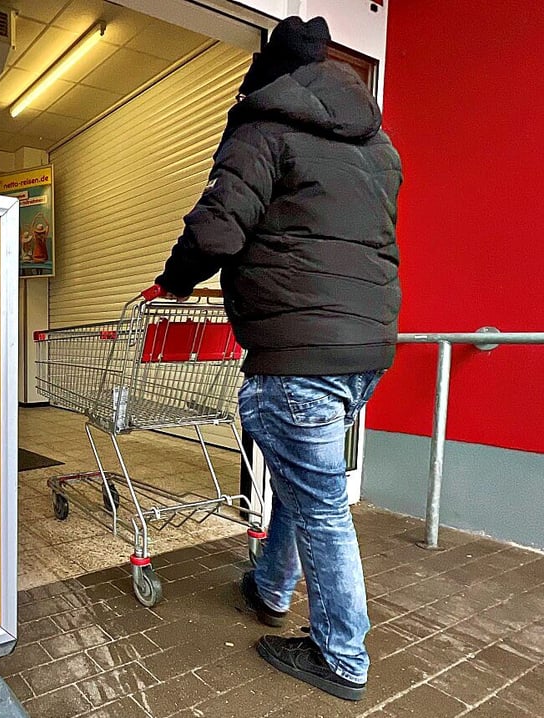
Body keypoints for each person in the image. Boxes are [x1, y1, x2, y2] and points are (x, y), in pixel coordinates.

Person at [154, 16, 402, 702]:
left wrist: (172, 282)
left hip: (298, 351)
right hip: (366, 347)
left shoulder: (263, 129)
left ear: (266, 81)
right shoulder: (378, 147)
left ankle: (342, 658)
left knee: (321, 504)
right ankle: (269, 586)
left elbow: (217, 227)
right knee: (307, 477)